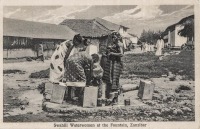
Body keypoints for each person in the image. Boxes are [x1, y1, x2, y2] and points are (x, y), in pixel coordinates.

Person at [102, 32, 124, 102]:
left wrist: (112, 53)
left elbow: (121, 54)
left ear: (117, 37)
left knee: (115, 78)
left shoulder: (120, 44)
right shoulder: (113, 44)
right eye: (112, 37)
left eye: (114, 37)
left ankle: (114, 97)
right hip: (110, 62)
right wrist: (105, 54)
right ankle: (109, 95)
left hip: (116, 63)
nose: (113, 39)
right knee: (109, 78)